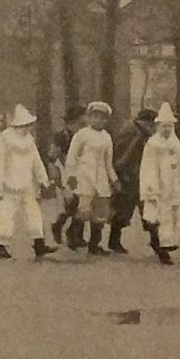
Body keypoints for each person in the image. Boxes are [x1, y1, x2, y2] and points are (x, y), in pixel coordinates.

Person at [0, 104, 61, 260]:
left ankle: (39, 243)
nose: (27, 128)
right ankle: (1, 244)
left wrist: (43, 179)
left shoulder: (29, 141)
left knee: (33, 214)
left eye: (28, 125)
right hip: (8, 185)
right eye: (24, 125)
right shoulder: (4, 140)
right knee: (6, 215)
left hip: (27, 184)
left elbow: (36, 161)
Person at [63, 101, 119, 256]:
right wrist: (71, 177)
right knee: (83, 209)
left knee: (100, 214)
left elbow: (108, 162)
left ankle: (95, 245)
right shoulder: (81, 135)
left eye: (102, 118)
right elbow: (72, 158)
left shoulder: (107, 138)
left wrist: (113, 179)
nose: (98, 120)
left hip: (100, 177)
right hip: (83, 176)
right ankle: (73, 235)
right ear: (88, 118)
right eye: (95, 117)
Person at [138, 102, 180, 265]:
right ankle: (159, 246)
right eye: (164, 126)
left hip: (173, 185)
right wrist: (151, 188)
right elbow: (148, 167)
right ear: (158, 126)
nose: (167, 129)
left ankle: (179, 245)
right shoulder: (153, 144)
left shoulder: (175, 143)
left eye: (169, 126)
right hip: (158, 185)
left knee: (179, 215)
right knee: (156, 217)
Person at [109, 108, 156, 254]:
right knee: (129, 209)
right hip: (131, 176)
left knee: (142, 209)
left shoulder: (133, 132)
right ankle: (115, 240)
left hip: (135, 175)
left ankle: (156, 241)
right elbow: (125, 156)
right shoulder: (135, 134)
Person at [48, 104, 86, 247]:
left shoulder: (85, 135)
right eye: (78, 123)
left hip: (82, 170)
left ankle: (76, 234)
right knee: (72, 202)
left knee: (83, 201)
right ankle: (60, 226)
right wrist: (55, 174)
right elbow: (53, 155)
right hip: (65, 170)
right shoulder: (61, 136)